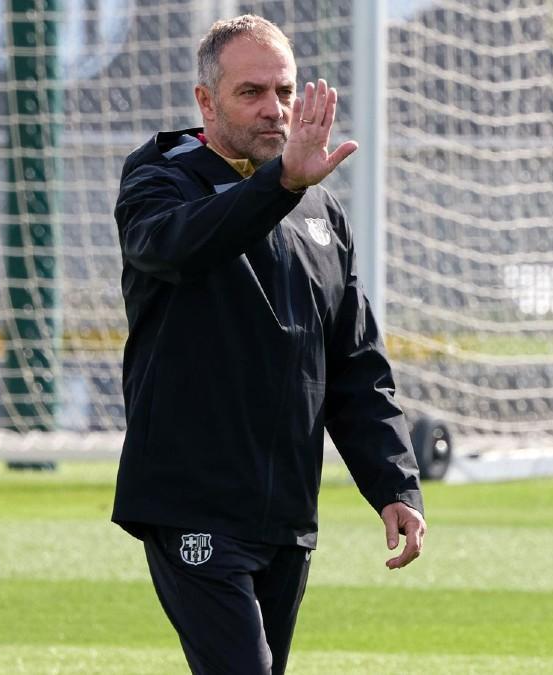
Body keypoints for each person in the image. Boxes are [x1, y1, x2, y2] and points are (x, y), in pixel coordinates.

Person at [111, 14, 426, 674]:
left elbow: (353, 362)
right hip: (190, 499)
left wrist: (394, 483)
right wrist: (279, 184)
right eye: (250, 92)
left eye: (284, 91)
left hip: (285, 510)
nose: (273, 109)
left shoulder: (317, 206)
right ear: (206, 100)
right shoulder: (160, 180)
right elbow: (178, 246)